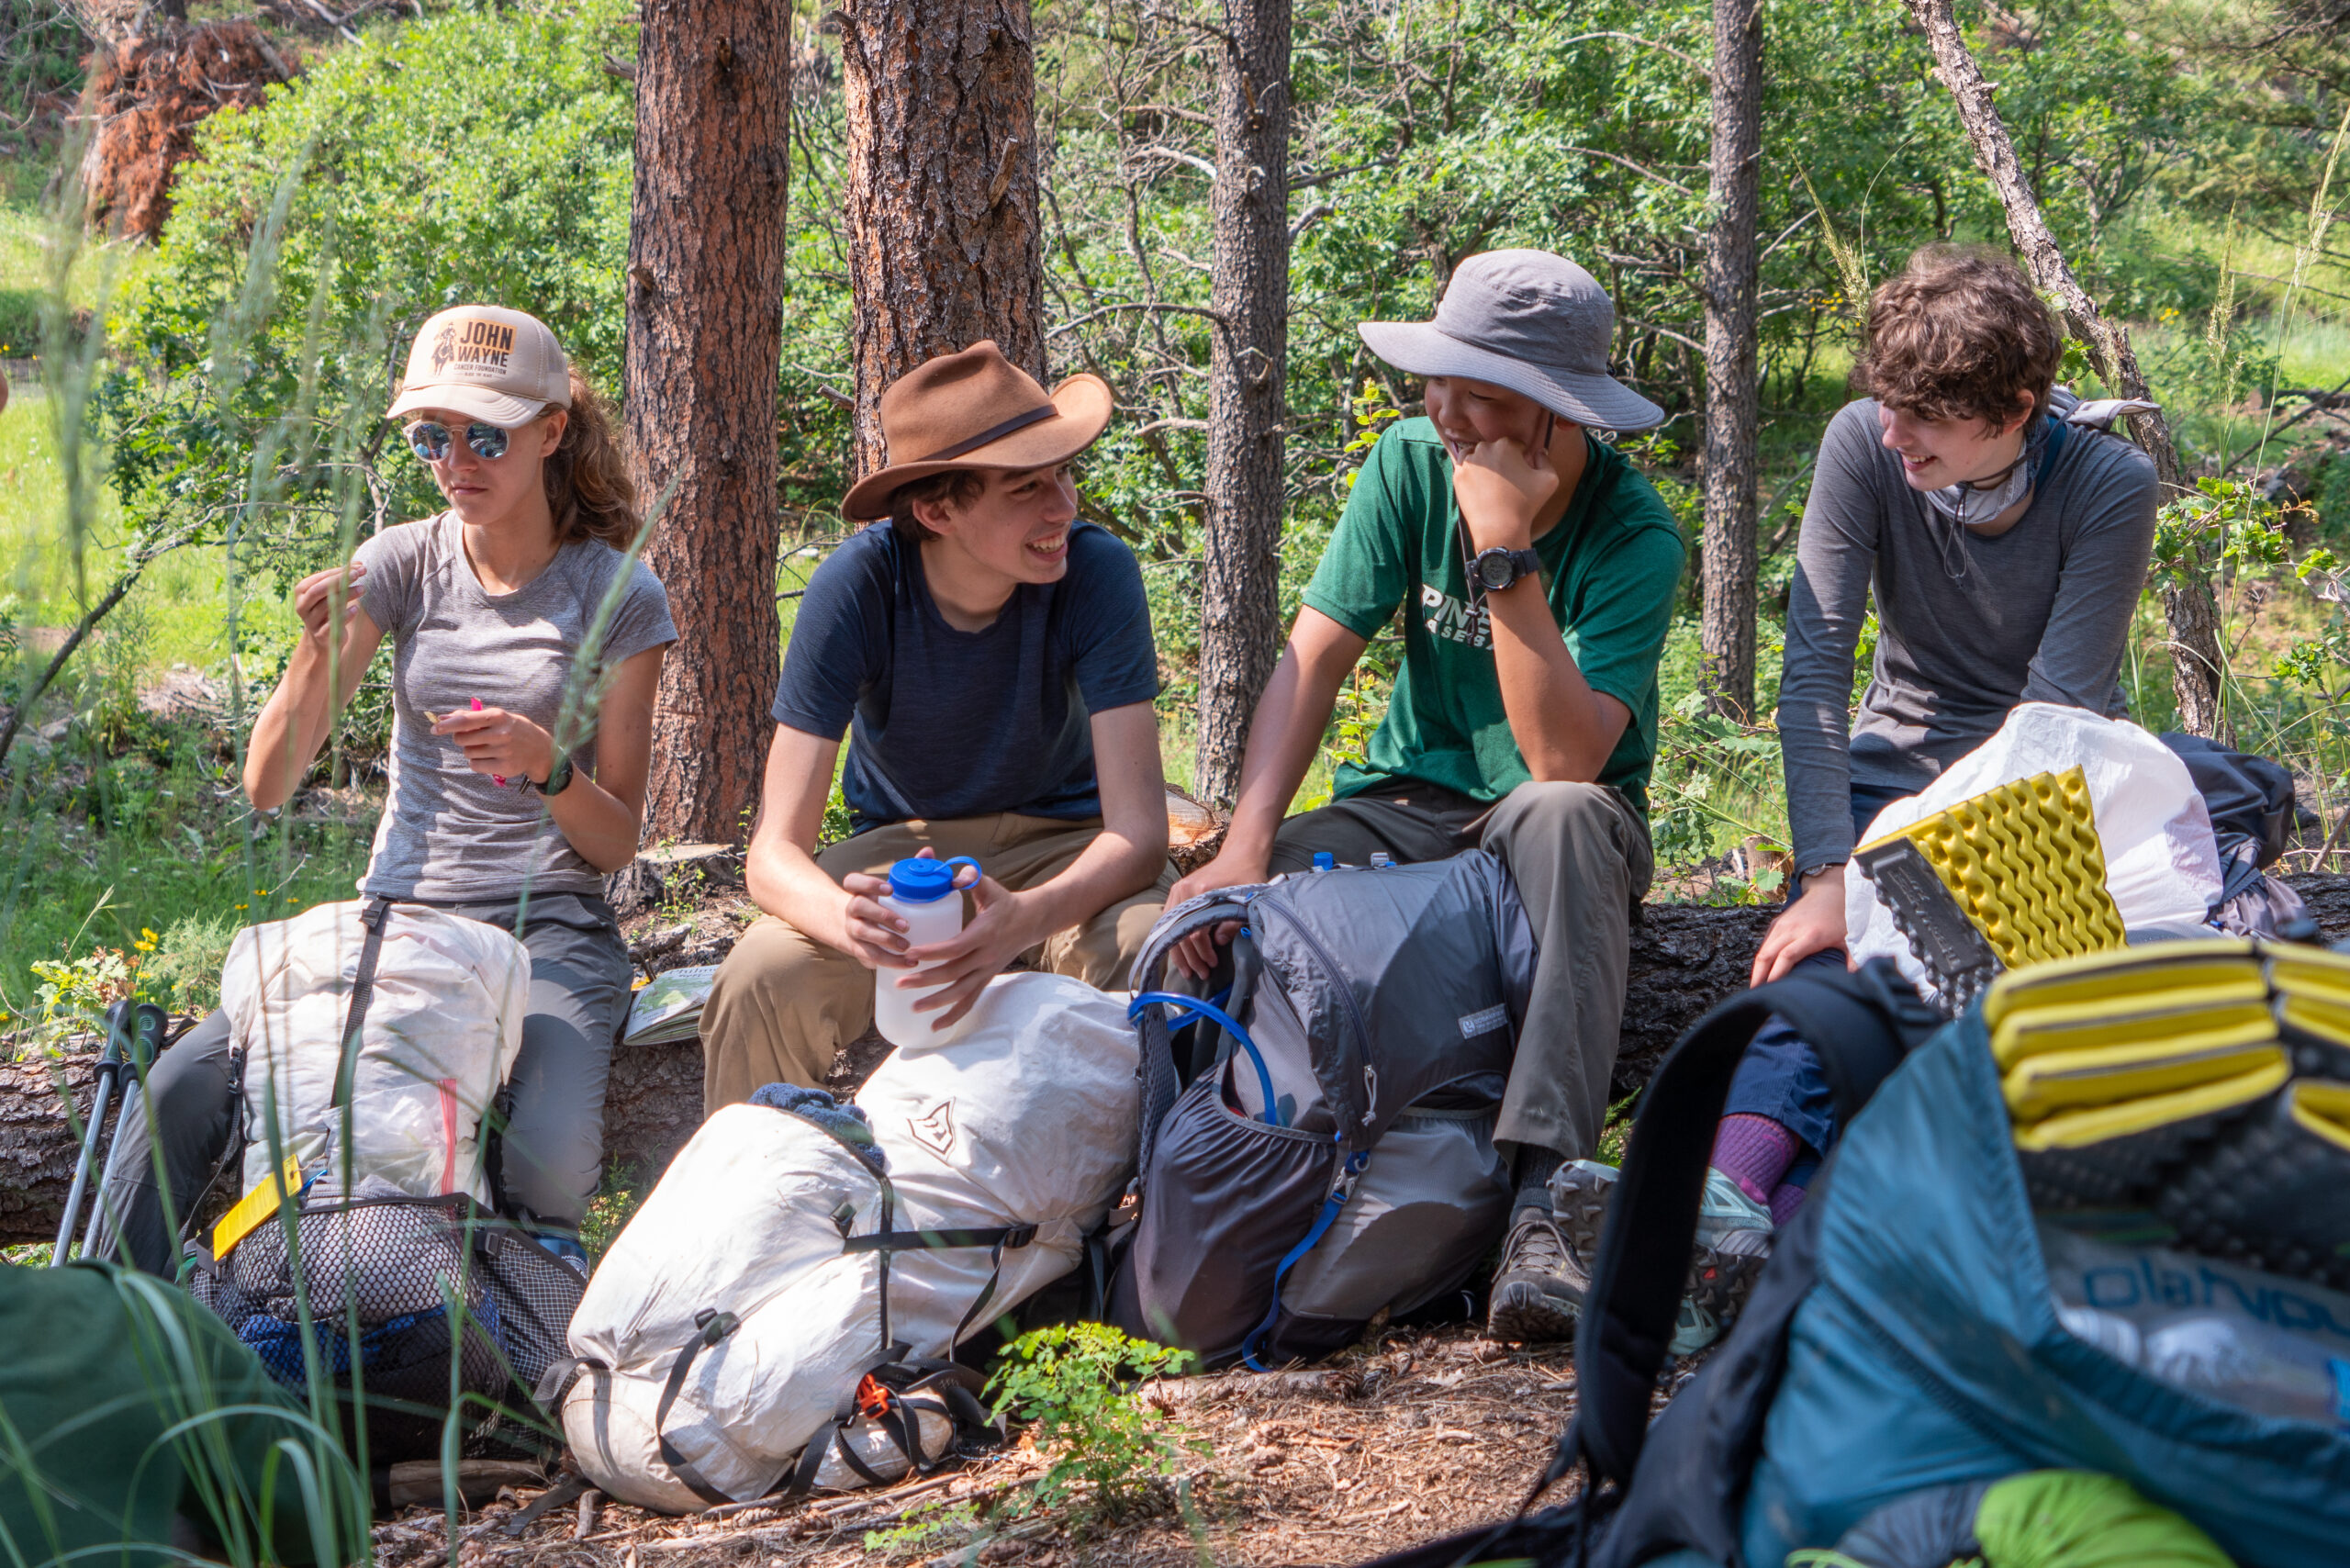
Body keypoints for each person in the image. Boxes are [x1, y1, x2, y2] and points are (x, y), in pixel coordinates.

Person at [1604, 248, 2162, 1321]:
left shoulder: (2108, 486)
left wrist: (1900, 887)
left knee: (1949, 1010)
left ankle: (1790, 1241)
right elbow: (1814, 671)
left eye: (1927, 422)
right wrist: (1826, 874)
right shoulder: (1863, 441)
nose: (1894, 435)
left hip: (2028, 796)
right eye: (1889, 408)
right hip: (1882, 774)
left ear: (2015, 409)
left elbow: (2050, 721)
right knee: (1822, 972)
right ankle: (1722, 1201)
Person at [1164, 250, 1687, 1345]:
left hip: (1545, 834)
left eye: (1481, 389)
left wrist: (1501, 544)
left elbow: (1561, 763)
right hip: (1404, 802)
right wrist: (1246, 843)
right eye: (1435, 379)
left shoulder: (1634, 534)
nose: (1444, 409)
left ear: (1555, 411)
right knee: (1229, 919)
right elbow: (1313, 660)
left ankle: (1546, 1196)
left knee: (1565, 817)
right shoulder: (1406, 463)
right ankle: (1201, 1169)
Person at [95, 304, 676, 1274]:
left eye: (486, 434)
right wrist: (313, 651)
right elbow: (270, 783)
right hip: (397, 912)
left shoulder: (616, 594)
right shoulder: (400, 560)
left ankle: (510, 1342)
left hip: (551, 925)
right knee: (182, 1089)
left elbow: (615, 843)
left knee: (548, 1157)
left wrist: (545, 765)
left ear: (551, 432)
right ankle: (121, 1321)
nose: (458, 461)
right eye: (429, 438)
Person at [698, 341, 1174, 1110]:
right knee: (761, 978)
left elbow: (1139, 833)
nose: (1062, 507)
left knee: (1158, 948)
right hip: (908, 853)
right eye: (1026, 489)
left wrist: (1021, 923)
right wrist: (851, 924)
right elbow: (772, 855)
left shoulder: (1096, 571)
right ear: (936, 509)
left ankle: (1138, 1210)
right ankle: (761, 1205)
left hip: (1070, 842)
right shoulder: (858, 587)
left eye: (1063, 474)